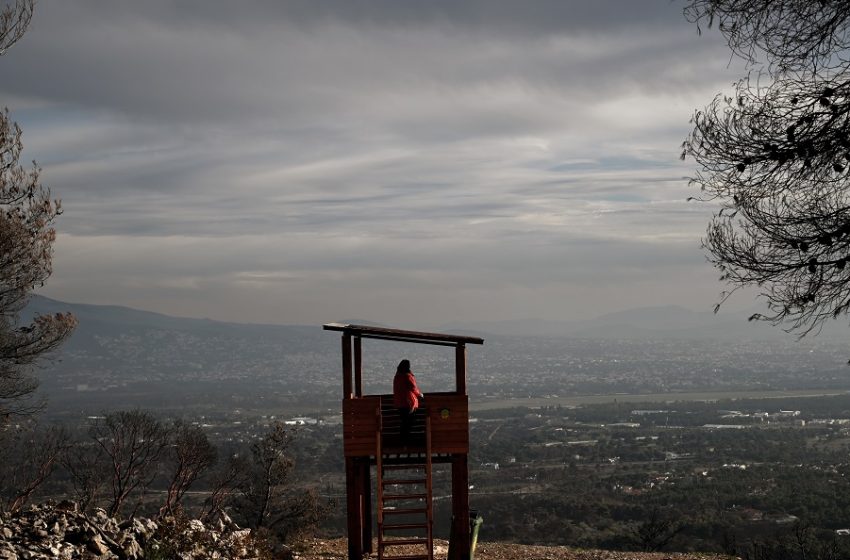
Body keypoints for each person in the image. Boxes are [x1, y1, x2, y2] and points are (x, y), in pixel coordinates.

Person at [393, 359, 423, 441]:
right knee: (409, 423)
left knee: (404, 422)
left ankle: (403, 441)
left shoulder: (397, 377)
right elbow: (413, 388)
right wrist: (420, 394)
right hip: (408, 403)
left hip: (399, 404)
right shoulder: (407, 376)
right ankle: (407, 441)